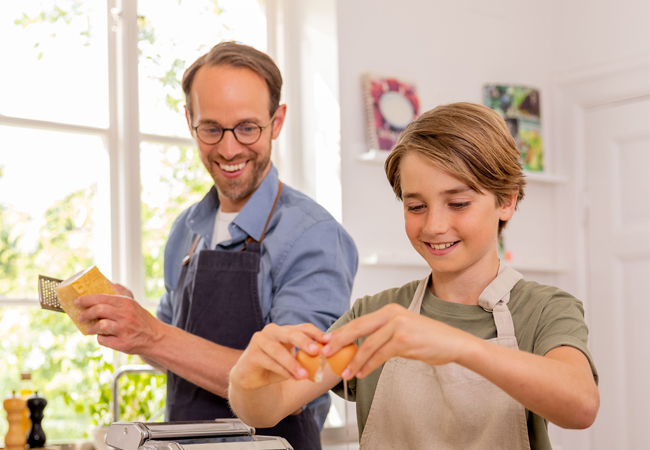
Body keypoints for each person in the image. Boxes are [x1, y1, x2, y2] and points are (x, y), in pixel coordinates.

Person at [228, 102, 600, 450]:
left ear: (506, 200)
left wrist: (457, 345)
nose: (435, 225)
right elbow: (270, 407)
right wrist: (246, 377)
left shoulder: (544, 309)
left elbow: (580, 406)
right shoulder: (375, 316)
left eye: (458, 203)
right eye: (416, 206)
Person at [75, 41, 358, 449]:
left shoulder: (313, 235)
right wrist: (129, 325)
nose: (228, 149)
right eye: (211, 128)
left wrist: (153, 335)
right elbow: (168, 350)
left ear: (276, 122)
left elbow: (289, 382)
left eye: (247, 127)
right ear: (190, 121)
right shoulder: (185, 231)